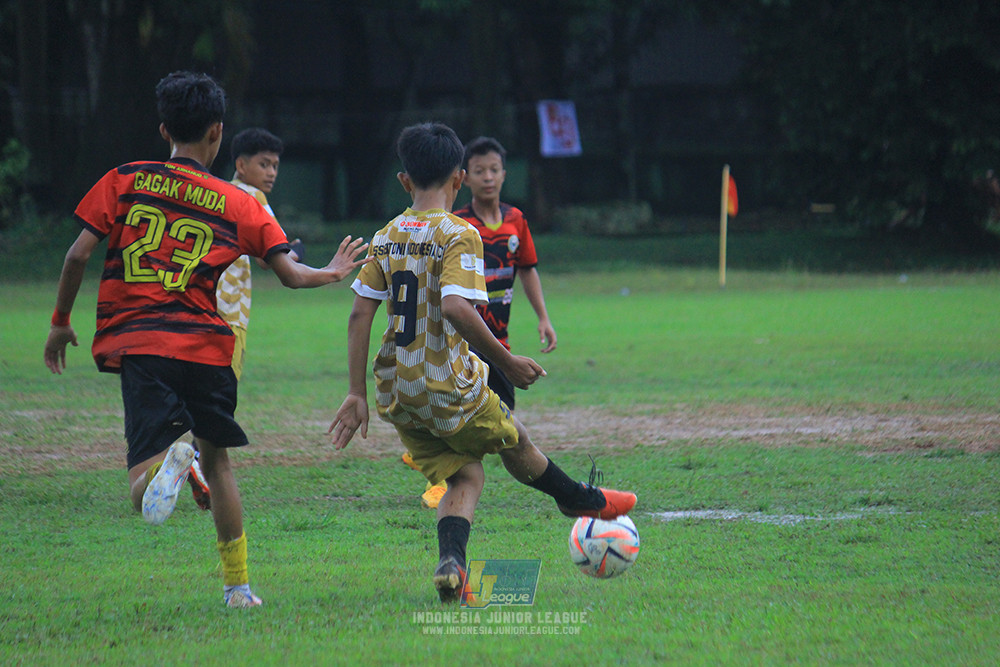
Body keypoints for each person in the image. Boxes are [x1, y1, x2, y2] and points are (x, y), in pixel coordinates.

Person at [43, 71, 370, 608]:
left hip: (147, 346)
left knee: (138, 489)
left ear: (164, 128)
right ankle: (238, 588)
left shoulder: (123, 180)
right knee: (220, 464)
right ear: (217, 133)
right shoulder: (238, 204)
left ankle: (172, 457)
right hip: (210, 349)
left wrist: (60, 320)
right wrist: (333, 271)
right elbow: (290, 274)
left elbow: (76, 255)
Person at [328, 122, 636, 603]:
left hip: (399, 394)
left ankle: (452, 565)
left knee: (465, 474)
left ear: (404, 181)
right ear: (459, 178)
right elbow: (456, 308)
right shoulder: (459, 233)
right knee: (516, 439)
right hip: (447, 384)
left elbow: (358, 313)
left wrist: (355, 392)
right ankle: (579, 500)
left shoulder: (386, 236)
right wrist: (507, 361)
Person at [402, 136, 559, 509]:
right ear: (464, 178)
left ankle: (431, 457)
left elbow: (528, 270)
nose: (488, 177)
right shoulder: (458, 225)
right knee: (494, 423)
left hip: (498, 340)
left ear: (505, 174)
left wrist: (543, 318)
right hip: (462, 342)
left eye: (494, 170)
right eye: (479, 171)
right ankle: (440, 478)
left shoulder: (516, 221)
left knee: (499, 417)